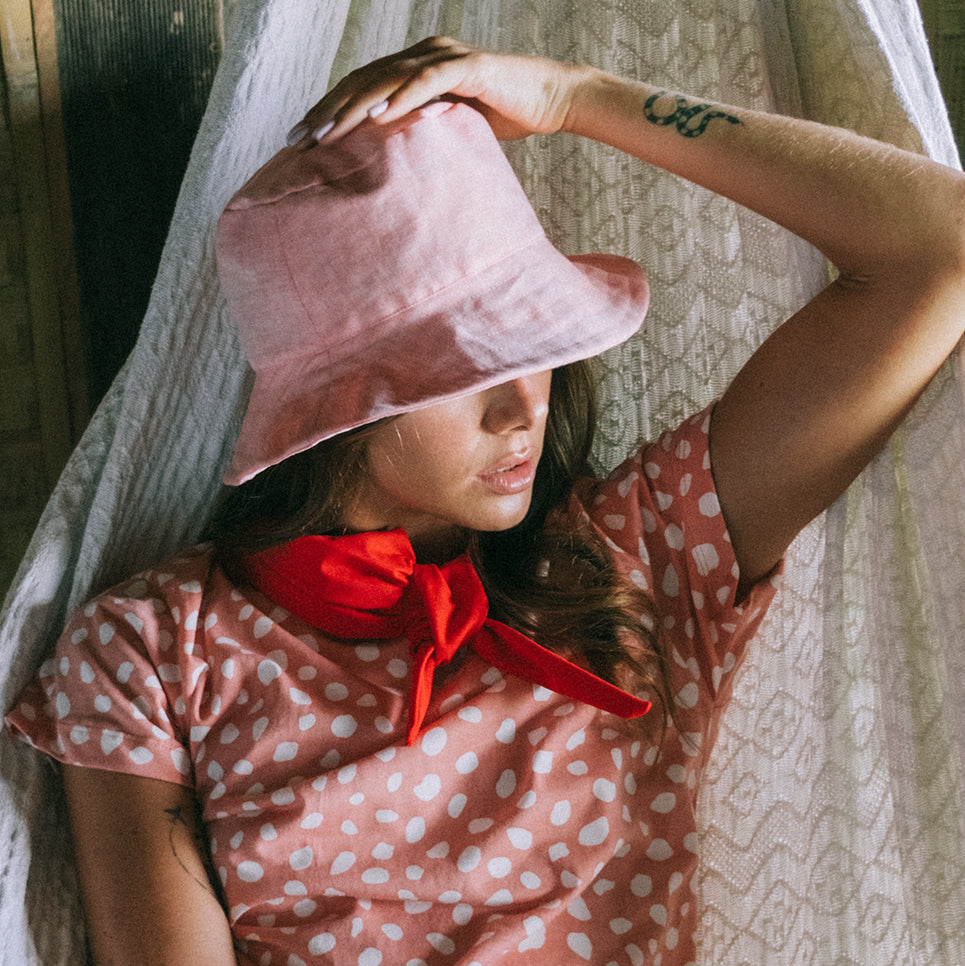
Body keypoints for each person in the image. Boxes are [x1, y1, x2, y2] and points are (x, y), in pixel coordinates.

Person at [6, 36, 965, 966]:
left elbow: (939, 246)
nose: (524, 405)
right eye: (469, 362)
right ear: (335, 403)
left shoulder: (631, 559)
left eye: (533, 342)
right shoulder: (152, 651)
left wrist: (576, 99)